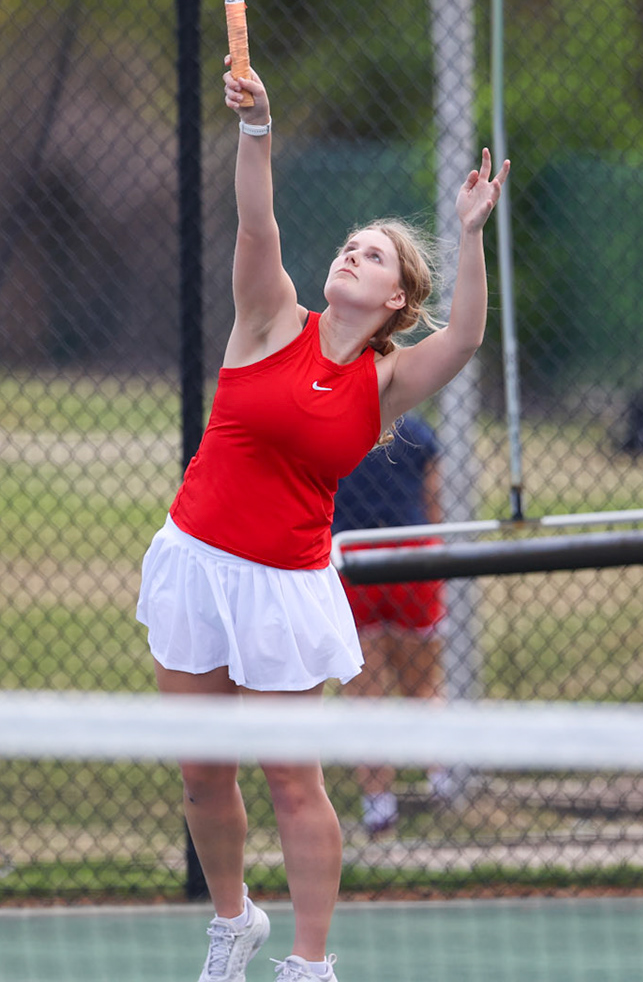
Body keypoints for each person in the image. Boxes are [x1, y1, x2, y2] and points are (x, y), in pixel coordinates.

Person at [136, 62, 507, 982]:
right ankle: (233, 924)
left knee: (293, 781)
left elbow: (462, 339)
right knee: (200, 773)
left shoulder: (383, 383)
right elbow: (257, 220)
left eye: (374, 255)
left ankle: (307, 961)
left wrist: (468, 236)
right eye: (350, 244)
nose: (353, 253)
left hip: (285, 590)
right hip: (195, 563)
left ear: (394, 302)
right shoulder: (268, 317)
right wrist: (257, 128)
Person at [332, 412, 458, 836]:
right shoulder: (417, 430)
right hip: (411, 557)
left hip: (351, 558)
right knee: (423, 684)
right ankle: (442, 782)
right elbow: (433, 504)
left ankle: (378, 807)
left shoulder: (331, 424)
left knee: (365, 694)